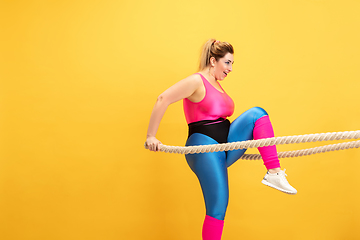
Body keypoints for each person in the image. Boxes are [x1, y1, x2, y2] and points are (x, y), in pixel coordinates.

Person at [145, 39, 297, 240]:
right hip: (204, 146)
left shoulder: (217, 85)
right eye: (227, 63)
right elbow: (163, 99)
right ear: (213, 61)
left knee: (257, 114)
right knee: (218, 208)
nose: (231, 69)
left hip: (225, 144)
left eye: (232, 64)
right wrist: (151, 136)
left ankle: (274, 172)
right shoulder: (196, 81)